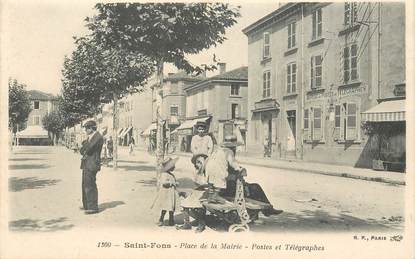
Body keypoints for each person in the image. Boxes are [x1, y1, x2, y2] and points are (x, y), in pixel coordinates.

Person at [177, 154, 209, 232]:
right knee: (185, 203)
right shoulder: (197, 172)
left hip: (205, 192)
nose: (197, 164)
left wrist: (201, 184)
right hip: (196, 192)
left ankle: (201, 224)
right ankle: (187, 223)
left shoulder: (207, 172)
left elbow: (209, 184)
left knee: (199, 205)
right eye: (197, 162)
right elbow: (195, 183)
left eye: (200, 162)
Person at [80, 120, 104, 214]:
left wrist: (84, 144)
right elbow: (82, 151)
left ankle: (93, 207)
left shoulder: (98, 137)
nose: (86, 130)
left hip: (92, 163)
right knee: (85, 184)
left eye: (87, 128)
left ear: (92, 128)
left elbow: (89, 149)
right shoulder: (90, 138)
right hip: (87, 163)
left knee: (90, 185)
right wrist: (85, 145)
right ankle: (87, 205)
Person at [151, 157, 181, 226]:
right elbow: (164, 183)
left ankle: (171, 220)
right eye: (173, 166)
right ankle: (161, 219)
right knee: (164, 207)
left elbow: (174, 182)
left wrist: (176, 184)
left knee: (171, 208)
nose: (174, 167)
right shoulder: (164, 175)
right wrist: (172, 183)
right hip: (166, 194)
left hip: (171, 194)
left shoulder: (172, 175)